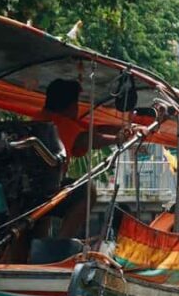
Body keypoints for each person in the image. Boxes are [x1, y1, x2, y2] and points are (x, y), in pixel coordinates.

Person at [37, 79, 138, 238]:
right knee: (87, 191)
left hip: (36, 189)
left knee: (39, 227)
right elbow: (90, 139)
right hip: (46, 189)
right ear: (71, 105)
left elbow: (95, 129)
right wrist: (116, 140)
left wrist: (128, 128)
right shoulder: (59, 123)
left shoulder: (43, 117)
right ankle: (62, 242)